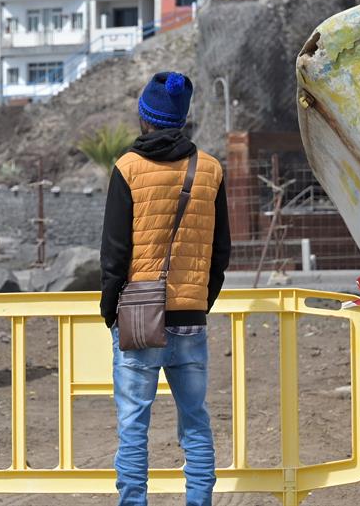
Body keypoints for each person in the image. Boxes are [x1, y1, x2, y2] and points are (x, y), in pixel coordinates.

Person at [99, 71, 231, 506]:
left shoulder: (127, 168)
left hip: (138, 317)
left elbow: (115, 254)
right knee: (195, 421)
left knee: (134, 424)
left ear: (144, 117)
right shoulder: (210, 169)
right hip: (190, 316)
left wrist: (110, 311)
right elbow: (221, 251)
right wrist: (200, 301)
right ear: (182, 119)